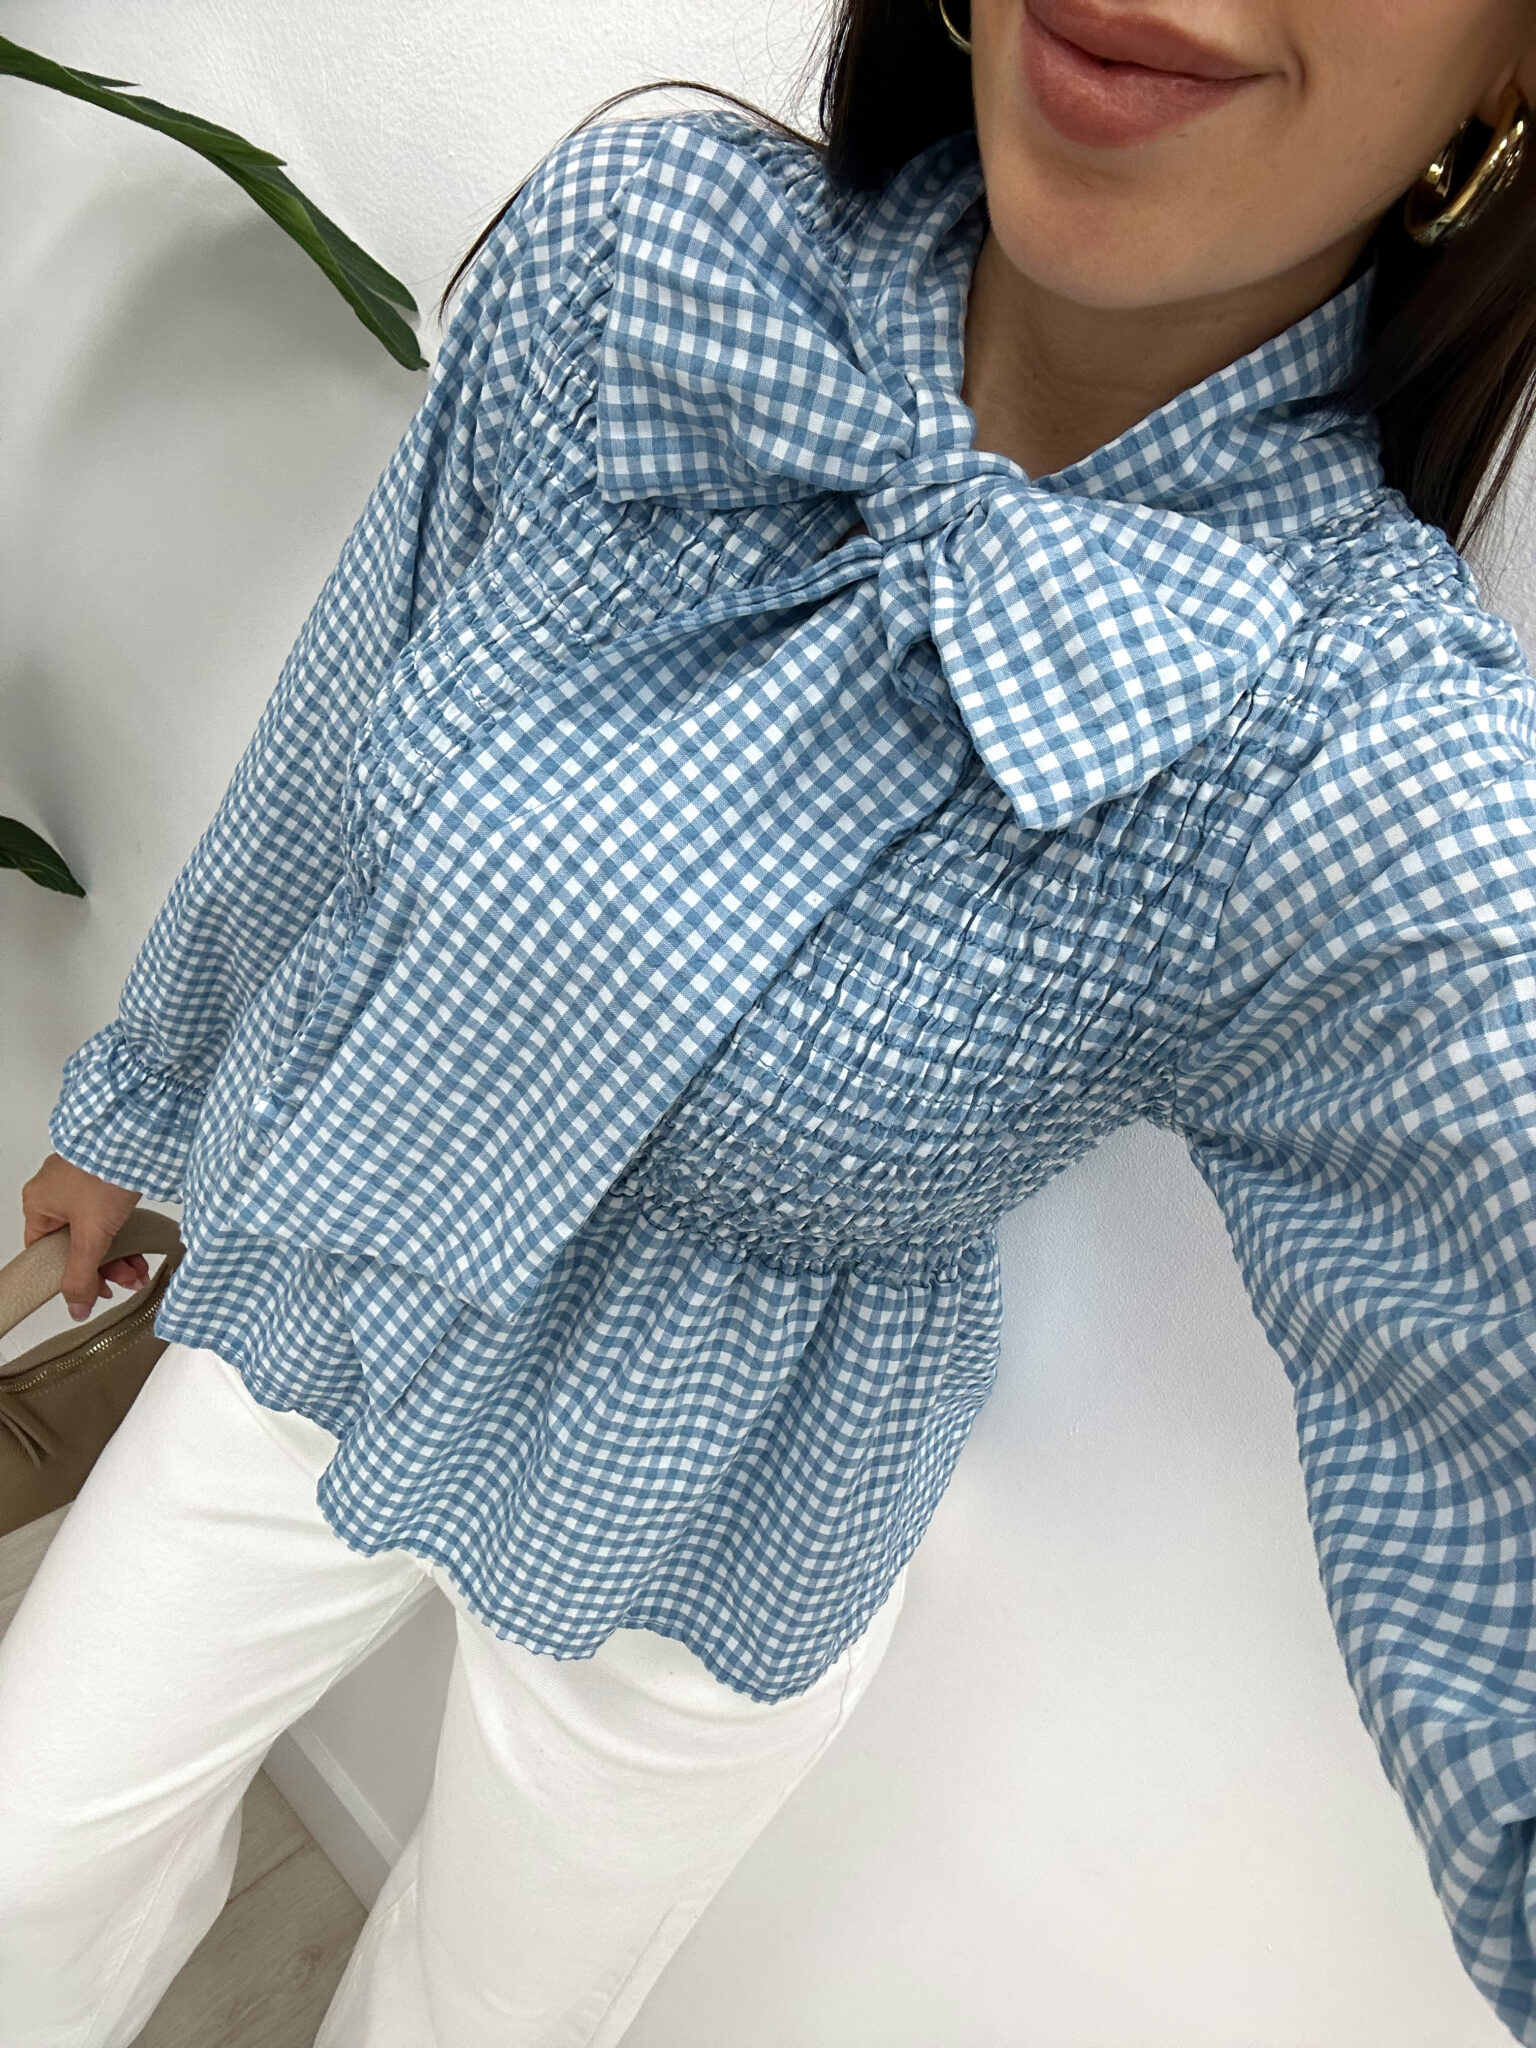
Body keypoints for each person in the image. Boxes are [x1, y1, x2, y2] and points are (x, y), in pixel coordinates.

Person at [4, 0, 1536, 2040]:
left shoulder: (1357, 750)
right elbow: (348, 710)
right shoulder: (653, 254)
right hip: (339, 1258)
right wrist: (142, 1101)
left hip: (721, 1494)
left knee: (485, 2020)